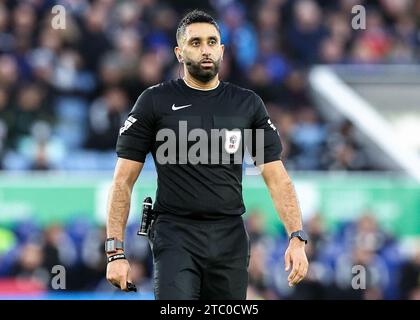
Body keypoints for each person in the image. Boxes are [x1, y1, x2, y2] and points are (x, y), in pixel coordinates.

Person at [105, 10, 309, 300]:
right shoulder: (154, 101)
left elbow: (277, 179)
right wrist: (115, 252)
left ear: (222, 50)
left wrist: (297, 237)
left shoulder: (246, 104)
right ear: (179, 52)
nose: (205, 49)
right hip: (175, 234)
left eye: (212, 42)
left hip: (230, 238)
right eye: (196, 42)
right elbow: (122, 181)